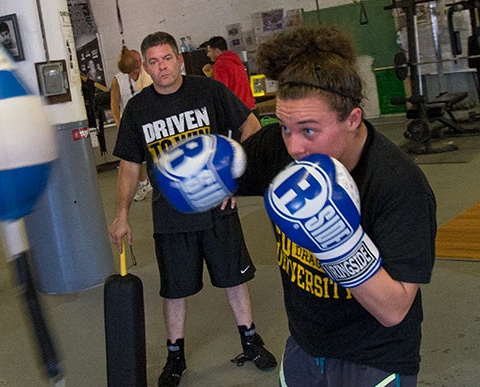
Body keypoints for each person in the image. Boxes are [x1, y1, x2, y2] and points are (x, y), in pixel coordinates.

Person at [233, 25, 436, 386]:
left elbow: (394, 309)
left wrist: (338, 244)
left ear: (353, 119)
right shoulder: (280, 147)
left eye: (309, 130)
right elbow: (226, 177)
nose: (294, 147)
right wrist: (206, 175)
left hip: (374, 358)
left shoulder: (399, 184)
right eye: (284, 127)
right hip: (304, 346)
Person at [109, 31, 275, 387]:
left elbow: (252, 126)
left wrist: (237, 180)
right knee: (174, 289)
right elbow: (128, 165)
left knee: (235, 280)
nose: (161, 67)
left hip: (218, 208)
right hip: (170, 216)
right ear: (145, 67)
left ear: (179, 59)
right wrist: (121, 214)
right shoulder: (138, 109)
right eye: (153, 61)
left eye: (167, 58)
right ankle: (175, 357)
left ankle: (251, 341)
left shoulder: (209, 91)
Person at [110, 47, 154, 201]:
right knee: (131, 157)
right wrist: (118, 122)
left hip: (148, 120)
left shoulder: (146, 76)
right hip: (130, 122)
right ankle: (143, 183)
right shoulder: (119, 79)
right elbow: (114, 103)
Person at [206, 36, 255, 112]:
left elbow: (221, 91)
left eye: (209, 51)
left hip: (237, 109)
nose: (207, 55)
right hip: (250, 106)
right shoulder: (236, 60)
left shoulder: (220, 64)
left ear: (216, 51)